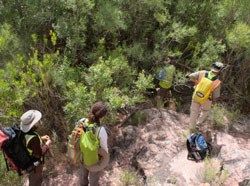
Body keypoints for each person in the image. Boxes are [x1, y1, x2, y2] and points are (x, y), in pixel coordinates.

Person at [79, 101, 109, 186]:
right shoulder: (101, 130)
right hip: (94, 160)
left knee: (82, 178)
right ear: (102, 116)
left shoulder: (82, 121)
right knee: (94, 181)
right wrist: (105, 160)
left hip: (82, 156)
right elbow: (104, 149)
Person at [20, 109, 52, 186]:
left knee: (32, 179)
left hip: (26, 162)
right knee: (36, 182)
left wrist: (41, 138)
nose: (38, 122)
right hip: (34, 165)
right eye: (37, 121)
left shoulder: (22, 132)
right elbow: (39, 154)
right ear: (33, 124)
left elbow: (28, 143)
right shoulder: (33, 138)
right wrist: (47, 144)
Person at [189, 62, 224, 129]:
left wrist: (197, 83)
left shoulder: (202, 72)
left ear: (212, 67)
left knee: (194, 111)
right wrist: (213, 101)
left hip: (196, 95)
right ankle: (198, 123)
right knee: (205, 111)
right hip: (207, 99)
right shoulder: (217, 82)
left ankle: (191, 127)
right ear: (219, 71)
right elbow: (216, 96)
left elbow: (191, 76)